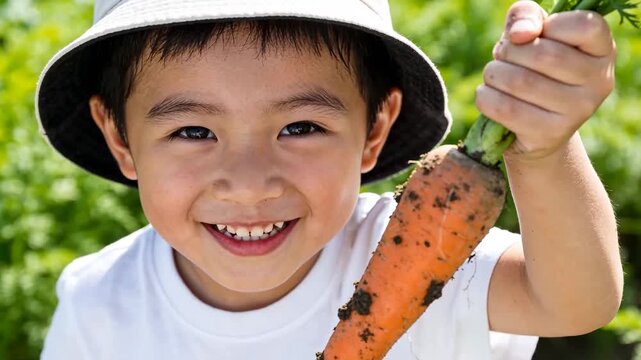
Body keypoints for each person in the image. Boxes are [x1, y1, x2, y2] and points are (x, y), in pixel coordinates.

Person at [36, 0, 622, 358]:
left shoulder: (419, 246)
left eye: (300, 127)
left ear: (374, 129)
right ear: (120, 138)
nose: (249, 183)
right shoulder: (99, 301)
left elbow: (572, 303)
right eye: (193, 132)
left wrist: (543, 152)